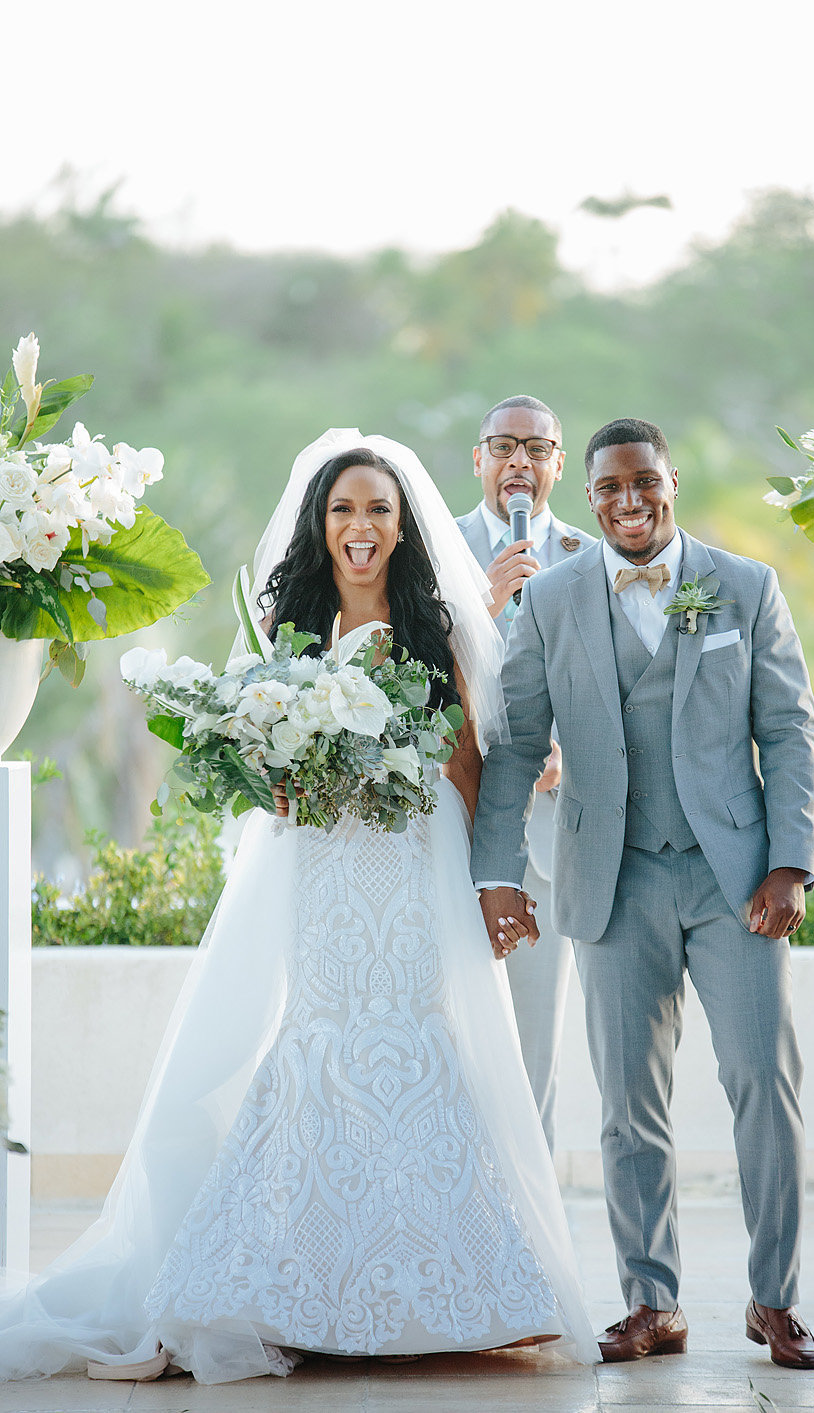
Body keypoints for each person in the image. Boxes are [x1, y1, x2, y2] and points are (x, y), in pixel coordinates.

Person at [0, 430, 597, 1384]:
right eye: (343, 509)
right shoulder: (287, 627)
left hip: (413, 867)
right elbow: (255, 762)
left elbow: (469, 763)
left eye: (378, 510)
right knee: (320, 1033)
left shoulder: (437, 627)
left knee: (415, 1036)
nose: (360, 527)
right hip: (325, 869)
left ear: (405, 529)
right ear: (320, 525)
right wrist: (275, 776)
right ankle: (291, 1287)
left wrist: (498, 880)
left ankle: (442, 1293)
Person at [471, 417, 814, 1370]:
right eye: (609, 489)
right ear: (586, 497)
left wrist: (791, 861)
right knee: (629, 1104)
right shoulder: (548, 601)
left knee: (764, 1083)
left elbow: (790, 730)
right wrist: (496, 871)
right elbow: (511, 749)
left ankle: (775, 1299)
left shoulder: (746, 586)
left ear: (671, 480)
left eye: (645, 483)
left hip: (735, 882)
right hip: (613, 879)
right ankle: (651, 1301)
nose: (629, 501)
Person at [456, 395, 596, 1153]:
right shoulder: (429, 546)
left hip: (547, 839)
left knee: (532, 1053)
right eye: (504, 446)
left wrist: (570, 746)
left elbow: (623, 688)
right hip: (447, 824)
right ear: (477, 458)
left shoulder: (591, 555)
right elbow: (405, 673)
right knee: (449, 1046)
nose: (520, 462)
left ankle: (532, 1242)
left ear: (558, 466)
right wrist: (485, 598)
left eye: (537, 449)